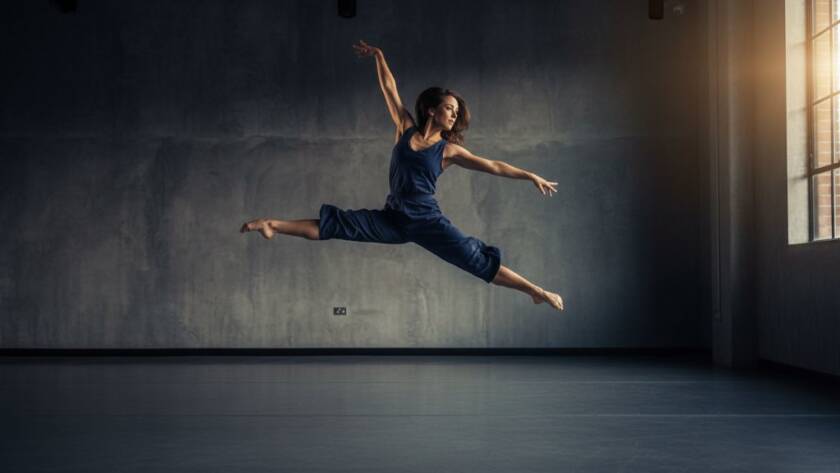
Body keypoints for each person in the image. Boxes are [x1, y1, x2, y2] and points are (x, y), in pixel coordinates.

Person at [241, 40, 564, 312]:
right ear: (431, 109)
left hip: (426, 220)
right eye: (449, 108)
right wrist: (379, 56)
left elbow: (493, 165)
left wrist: (530, 175)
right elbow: (390, 89)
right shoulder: (405, 128)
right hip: (394, 216)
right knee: (338, 224)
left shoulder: (449, 151)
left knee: (474, 260)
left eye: (456, 112)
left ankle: (536, 291)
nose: (454, 114)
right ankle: (272, 224)